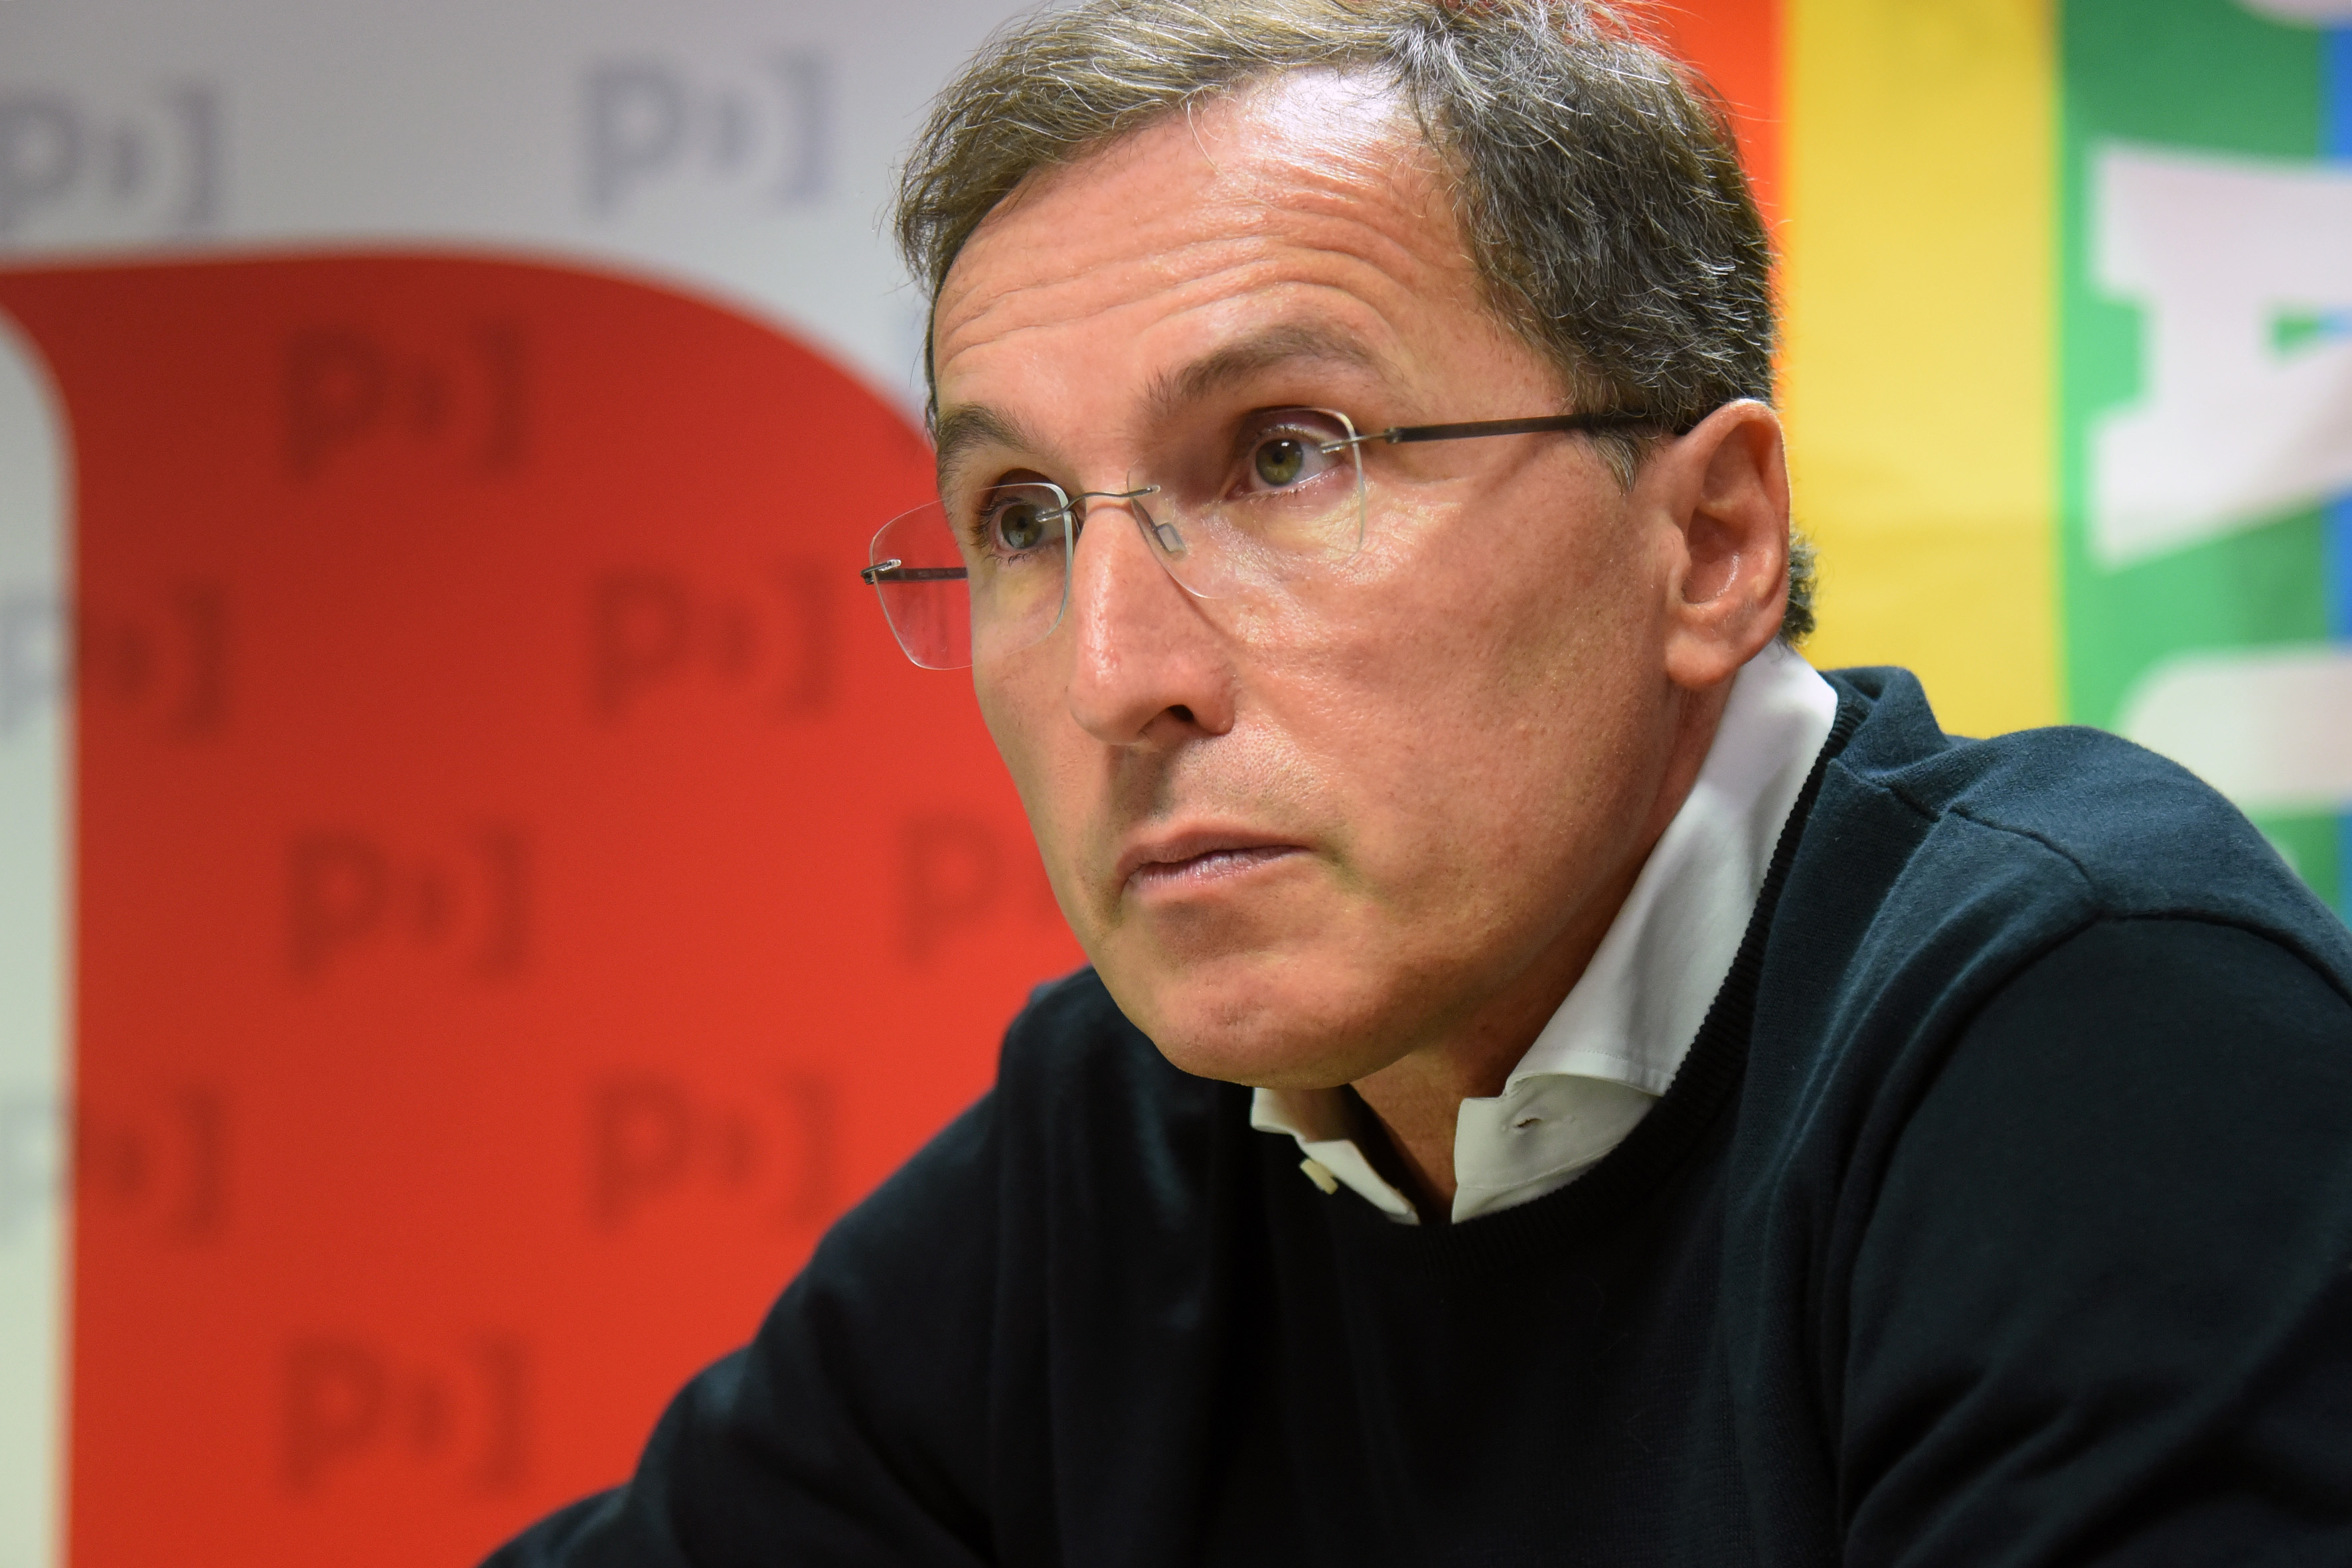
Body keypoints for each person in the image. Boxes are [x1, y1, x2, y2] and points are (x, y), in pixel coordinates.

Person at [489, 1, 2352, 1562]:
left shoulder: (2099, 1026)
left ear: (1708, 541)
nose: (1119, 673)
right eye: (1025, 518)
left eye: (1286, 456)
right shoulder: (1126, 1141)